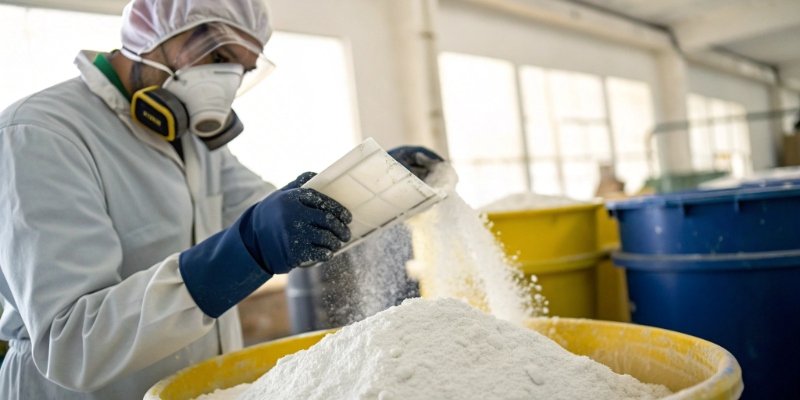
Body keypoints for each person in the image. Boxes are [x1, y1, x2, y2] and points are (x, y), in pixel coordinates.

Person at [0, 0, 443, 398]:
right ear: (151, 32)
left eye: (242, 69)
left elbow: (285, 219)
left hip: (195, 386)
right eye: (217, 56)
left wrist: (380, 183)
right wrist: (244, 252)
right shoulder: (42, 135)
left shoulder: (193, 141)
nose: (226, 80)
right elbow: (72, 343)